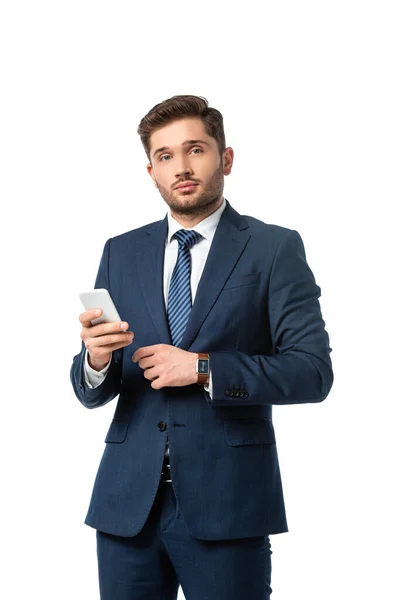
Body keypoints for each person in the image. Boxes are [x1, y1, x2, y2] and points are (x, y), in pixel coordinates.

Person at [70, 94, 333, 600]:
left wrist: (204, 368)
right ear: (151, 170)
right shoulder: (120, 251)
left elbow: (312, 372)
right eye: (166, 156)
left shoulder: (274, 248)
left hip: (229, 504)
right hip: (127, 508)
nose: (182, 167)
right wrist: (97, 361)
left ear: (225, 158)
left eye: (196, 149)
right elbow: (90, 391)